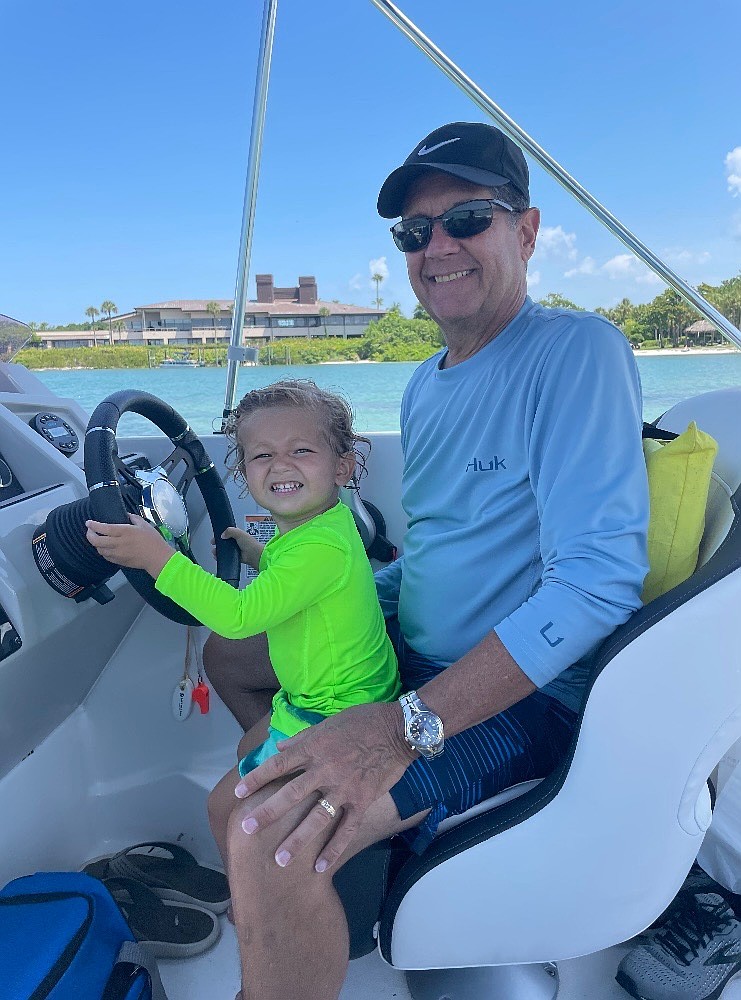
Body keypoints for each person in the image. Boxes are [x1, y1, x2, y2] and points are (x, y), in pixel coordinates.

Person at [191, 122, 652, 1000]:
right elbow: (440, 546)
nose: (436, 247)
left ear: (525, 230)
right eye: (414, 231)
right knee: (231, 656)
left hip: (528, 694)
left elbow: (596, 583)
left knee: (261, 826)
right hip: (413, 649)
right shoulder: (425, 382)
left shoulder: (574, 352)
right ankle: (341, 871)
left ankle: (320, 857)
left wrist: (399, 728)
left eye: (466, 218)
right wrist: (351, 593)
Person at [85, 378, 401, 873]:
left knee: (223, 808)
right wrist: (257, 555)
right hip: (343, 695)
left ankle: (253, 895)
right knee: (246, 747)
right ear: (244, 470)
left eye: (301, 450)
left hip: (336, 714)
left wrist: (157, 556)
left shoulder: (319, 547)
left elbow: (237, 618)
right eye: (262, 455)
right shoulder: (323, 526)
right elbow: (295, 574)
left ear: (343, 466)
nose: (280, 465)